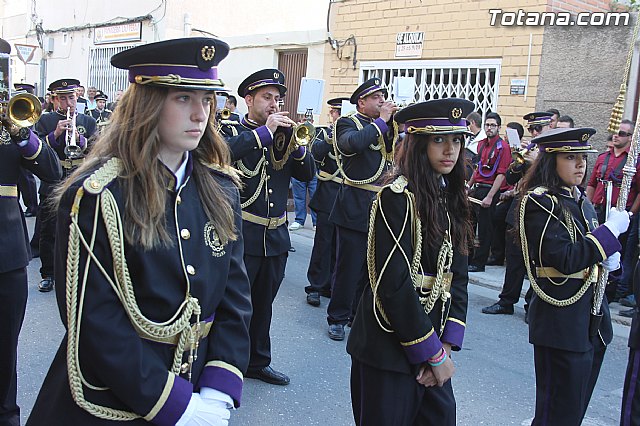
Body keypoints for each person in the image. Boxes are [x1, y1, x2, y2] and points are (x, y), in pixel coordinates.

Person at [26, 37, 252, 426]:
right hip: (112, 398)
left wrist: (217, 389)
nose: (200, 114)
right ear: (147, 104)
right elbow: (92, 321)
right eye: (183, 98)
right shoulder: (98, 195)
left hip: (197, 385)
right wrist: (176, 405)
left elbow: (234, 298)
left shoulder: (221, 189)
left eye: (206, 100)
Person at [347, 98, 472, 426]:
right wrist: (432, 353)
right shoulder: (397, 198)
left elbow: (456, 277)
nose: (450, 149)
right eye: (439, 139)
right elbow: (394, 286)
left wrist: (445, 345)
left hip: (432, 343)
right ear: (418, 143)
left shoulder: (451, 197)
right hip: (387, 349)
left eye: (456, 140)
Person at [518, 127, 628, 425]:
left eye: (583, 157)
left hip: (590, 319)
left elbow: (588, 252)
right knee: (557, 412)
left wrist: (608, 260)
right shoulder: (541, 202)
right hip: (561, 319)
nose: (580, 164)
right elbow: (565, 258)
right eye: (571, 157)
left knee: (573, 411)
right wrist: (608, 235)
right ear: (550, 161)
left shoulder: (581, 200)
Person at [222, 68, 315, 386]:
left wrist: (299, 147)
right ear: (248, 99)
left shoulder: (284, 136)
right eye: (267, 97)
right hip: (242, 235)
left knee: (263, 306)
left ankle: (257, 361)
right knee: (235, 305)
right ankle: (226, 363)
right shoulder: (231, 128)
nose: (274, 104)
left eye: (277, 98)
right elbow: (222, 155)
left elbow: (306, 176)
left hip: (275, 236)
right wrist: (264, 133)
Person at [0, 37, 62, 426]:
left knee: (5, 347)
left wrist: (24, 136)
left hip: (5, 251)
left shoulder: (11, 125)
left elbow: (53, 173)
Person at [327, 77, 398, 341]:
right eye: (376, 97)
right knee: (348, 266)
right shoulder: (347, 123)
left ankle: (360, 315)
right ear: (362, 102)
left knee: (372, 269)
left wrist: (393, 124)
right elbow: (353, 144)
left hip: (380, 205)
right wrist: (382, 121)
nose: (382, 101)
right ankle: (337, 317)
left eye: (383, 96)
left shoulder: (386, 126)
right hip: (354, 204)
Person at [33, 79, 97, 292]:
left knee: (81, 225)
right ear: (54, 100)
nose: (68, 103)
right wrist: (56, 135)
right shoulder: (46, 121)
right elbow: (37, 149)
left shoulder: (87, 121)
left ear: (77, 97)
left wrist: (80, 140)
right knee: (49, 227)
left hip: (79, 175)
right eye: (62, 98)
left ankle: (77, 272)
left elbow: (97, 150)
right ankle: (48, 273)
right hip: (54, 177)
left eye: (71, 97)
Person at [305, 96, 348, 306]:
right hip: (329, 191)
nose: (337, 116)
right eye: (335, 112)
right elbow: (315, 154)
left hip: (348, 194)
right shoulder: (324, 132)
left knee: (342, 245)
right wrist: (332, 138)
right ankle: (315, 286)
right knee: (323, 242)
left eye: (341, 112)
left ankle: (332, 284)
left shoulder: (355, 134)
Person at [466, 112, 511, 272]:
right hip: (477, 188)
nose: (489, 128)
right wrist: (468, 186)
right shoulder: (482, 144)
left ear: (499, 127)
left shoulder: (503, 147)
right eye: (487, 125)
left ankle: (479, 263)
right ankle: (468, 259)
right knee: (470, 226)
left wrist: (490, 196)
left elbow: (501, 173)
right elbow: (478, 168)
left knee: (485, 229)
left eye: (493, 125)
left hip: (489, 190)